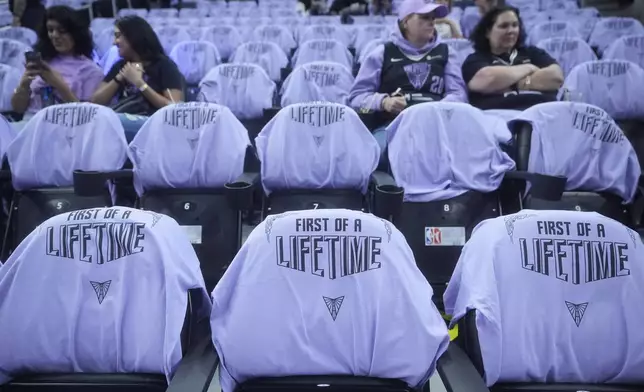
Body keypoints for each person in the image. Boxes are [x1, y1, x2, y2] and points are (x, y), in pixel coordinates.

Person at [348, 0, 467, 153]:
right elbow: (356, 97)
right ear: (405, 22)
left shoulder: (447, 53)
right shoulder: (381, 54)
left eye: (432, 18)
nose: (431, 22)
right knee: (382, 151)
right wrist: (384, 102)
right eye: (424, 17)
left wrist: (439, 108)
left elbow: (459, 94)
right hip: (393, 125)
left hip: (437, 126)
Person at [90, 16, 184, 140]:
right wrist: (120, 78)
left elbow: (173, 107)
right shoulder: (120, 66)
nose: (114, 42)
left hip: (155, 125)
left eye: (118, 36)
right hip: (124, 120)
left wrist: (140, 83)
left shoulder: (164, 66)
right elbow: (95, 102)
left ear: (133, 37)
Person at [10, 6, 103, 122]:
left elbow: (86, 118)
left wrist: (57, 84)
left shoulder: (91, 70)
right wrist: (24, 85)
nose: (55, 35)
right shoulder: (42, 62)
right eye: (50, 30)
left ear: (75, 33)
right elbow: (18, 108)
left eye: (61, 31)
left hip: (65, 129)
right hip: (30, 125)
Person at [461, 6, 564, 111]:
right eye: (504, 26)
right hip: (497, 119)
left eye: (515, 25)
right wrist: (529, 68)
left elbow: (556, 78)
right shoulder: (475, 60)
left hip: (541, 115)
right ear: (487, 32)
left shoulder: (533, 53)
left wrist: (515, 83)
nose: (511, 31)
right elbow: (488, 79)